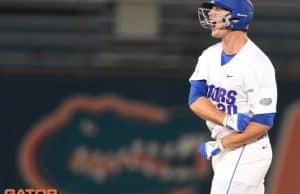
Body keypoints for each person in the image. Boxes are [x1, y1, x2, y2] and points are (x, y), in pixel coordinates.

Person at [188, 0, 277, 193]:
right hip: (226, 150)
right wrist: (226, 119)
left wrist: (221, 144)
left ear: (237, 15)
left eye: (218, 9)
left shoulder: (258, 63)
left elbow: (263, 121)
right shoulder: (208, 56)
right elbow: (195, 100)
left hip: (248, 150)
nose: (211, 14)